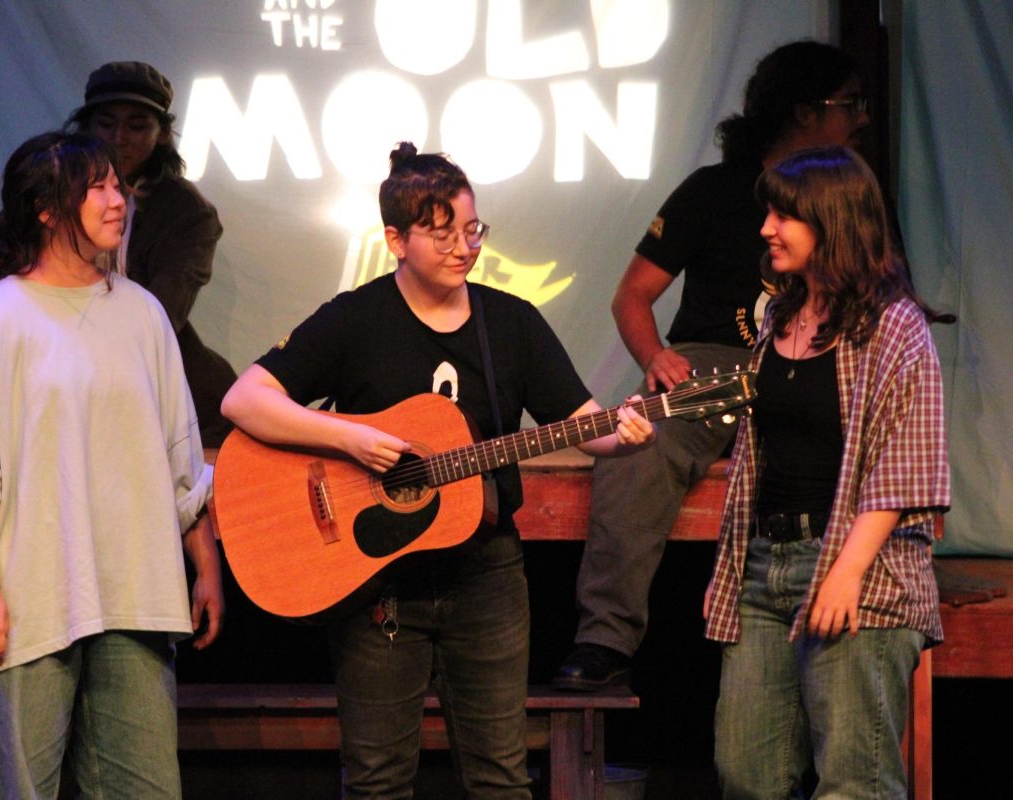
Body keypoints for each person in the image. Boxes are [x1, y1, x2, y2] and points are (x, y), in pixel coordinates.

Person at [220, 142, 655, 799]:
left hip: (487, 576)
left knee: (501, 780)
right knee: (376, 783)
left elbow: (587, 424)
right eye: (442, 231)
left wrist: (626, 436)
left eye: (472, 229)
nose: (463, 246)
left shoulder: (510, 323)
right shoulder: (355, 318)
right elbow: (243, 400)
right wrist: (354, 438)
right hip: (378, 585)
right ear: (395, 239)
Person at [555, 40, 872, 691]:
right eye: (850, 105)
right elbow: (632, 294)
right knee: (639, 435)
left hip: (820, 363)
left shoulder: (854, 197)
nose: (861, 120)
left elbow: (880, 303)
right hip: (717, 366)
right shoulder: (716, 191)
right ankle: (605, 638)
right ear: (805, 113)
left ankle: (854, 619)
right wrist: (657, 355)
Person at [0, 131, 224, 799]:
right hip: (28, 605)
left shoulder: (143, 315)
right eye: (99, 188)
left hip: (135, 599)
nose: (119, 200)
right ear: (47, 209)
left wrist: (204, 565)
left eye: (119, 185)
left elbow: (180, 456)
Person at [704, 145, 949, 798]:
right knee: (745, 775)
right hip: (765, 566)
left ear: (831, 221)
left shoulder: (894, 328)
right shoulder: (778, 320)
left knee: (854, 783)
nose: (766, 229)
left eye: (784, 215)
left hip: (858, 572)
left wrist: (844, 574)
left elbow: (904, 468)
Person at [66, 60, 237, 446]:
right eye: (106, 123)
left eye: (137, 125)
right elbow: (6, 257)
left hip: (142, 373)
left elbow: (161, 314)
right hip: (46, 346)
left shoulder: (187, 211)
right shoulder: (54, 190)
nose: (118, 137)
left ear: (162, 134)